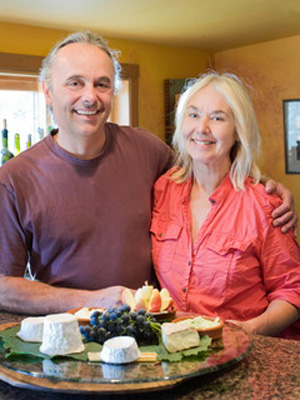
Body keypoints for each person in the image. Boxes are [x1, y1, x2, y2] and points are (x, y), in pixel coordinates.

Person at [0, 33, 296, 316]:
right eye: (75, 83)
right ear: (47, 91)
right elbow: (3, 286)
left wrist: (264, 188)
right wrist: (92, 301)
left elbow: (207, 168)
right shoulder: (14, 179)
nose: (90, 97)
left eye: (102, 84)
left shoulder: (146, 149)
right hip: (67, 343)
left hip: (152, 339)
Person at [151, 72, 300, 339]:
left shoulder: (264, 203)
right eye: (193, 115)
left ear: (238, 132)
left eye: (217, 118)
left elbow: (292, 289)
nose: (202, 128)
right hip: (176, 354)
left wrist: (251, 329)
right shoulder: (162, 190)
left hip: (248, 356)